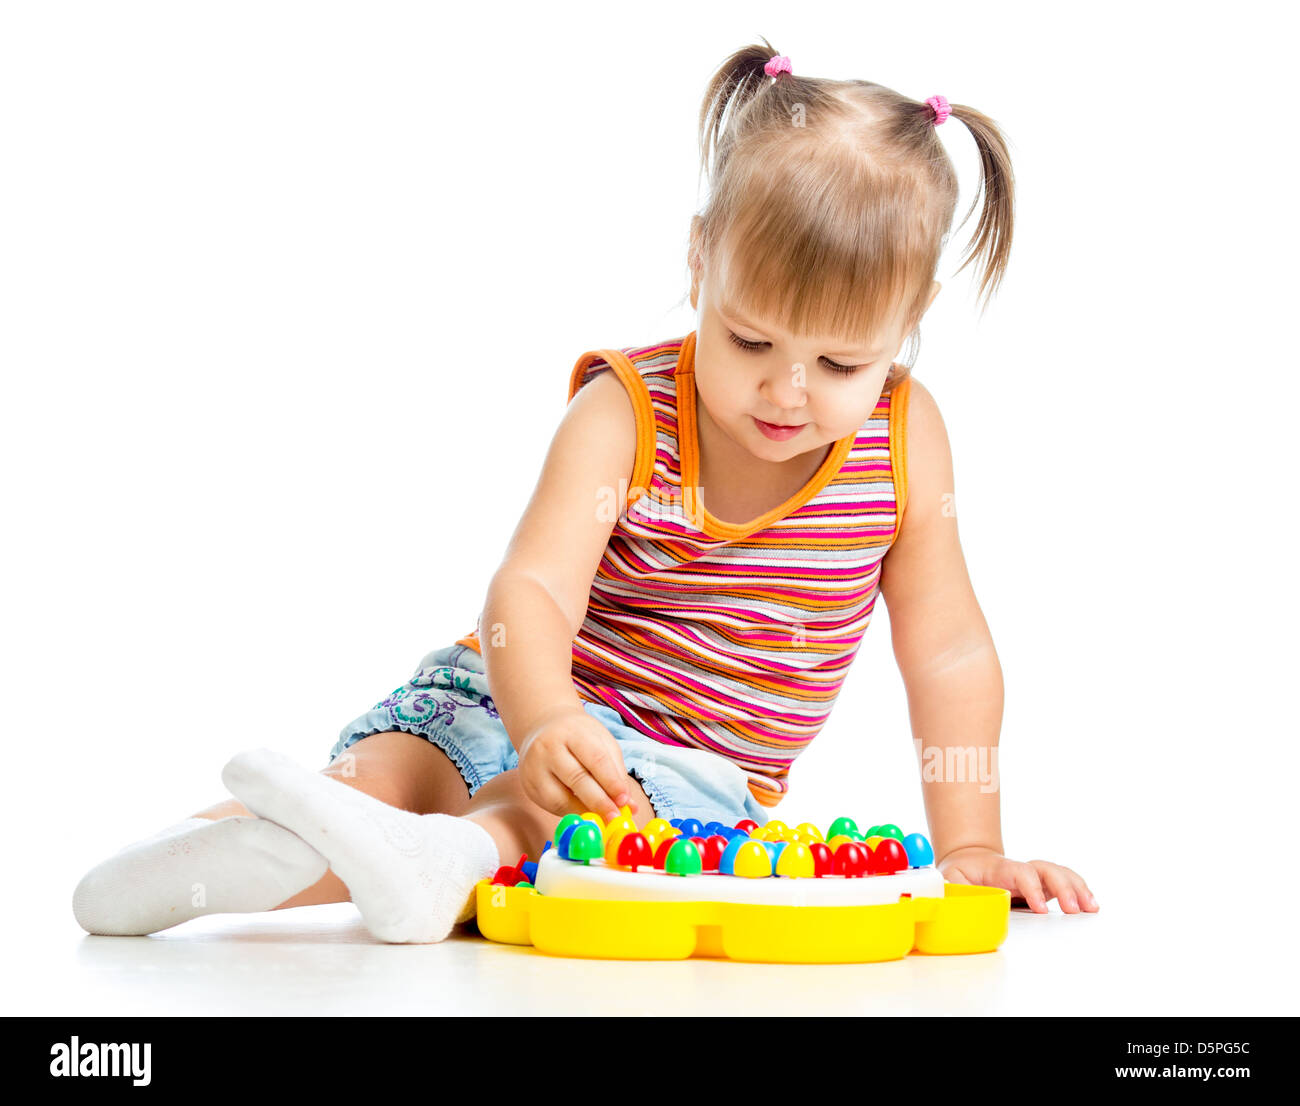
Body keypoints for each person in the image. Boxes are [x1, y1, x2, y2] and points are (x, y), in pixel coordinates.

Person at [73, 39, 1098, 945]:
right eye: (748, 340)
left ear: (909, 318)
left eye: (839, 362)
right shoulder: (627, 411)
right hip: (517, 691)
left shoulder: (904, 442)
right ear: (701, 260)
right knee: (385, 776)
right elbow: (531, 591)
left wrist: (970, 841)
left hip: (680, 779)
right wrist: (546, 714)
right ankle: (194, 860)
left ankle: (429, 858)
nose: (787, 390)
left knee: (550, 816)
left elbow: (950, 646)